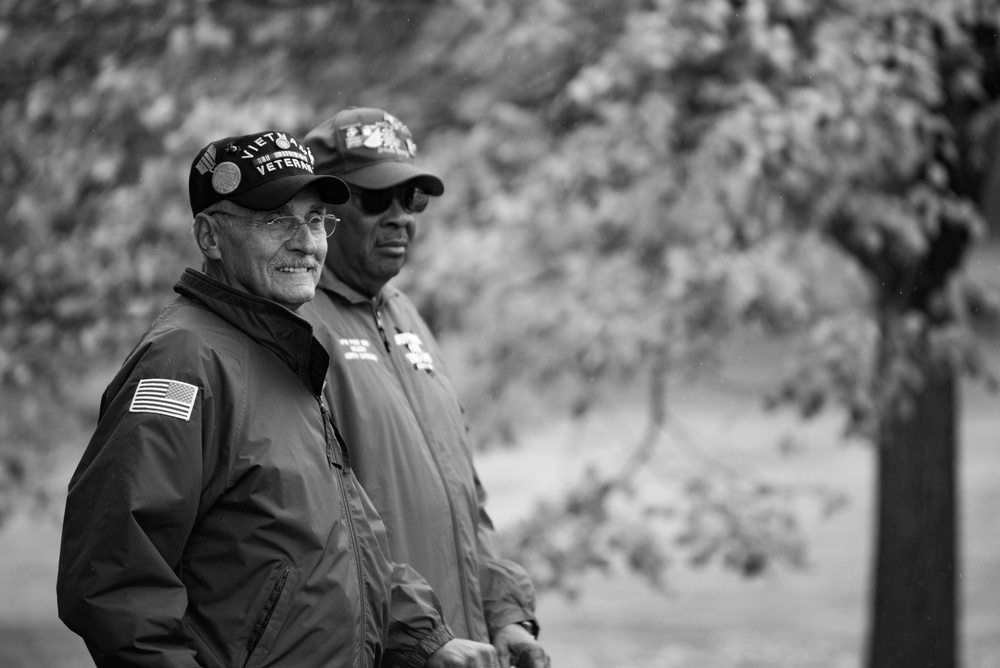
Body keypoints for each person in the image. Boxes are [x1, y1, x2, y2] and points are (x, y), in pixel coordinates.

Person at [56, 130, 500, 668]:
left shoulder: (283, 350)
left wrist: (428, 641)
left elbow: (346, 542)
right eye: (275, 220)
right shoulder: (184, 362)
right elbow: (112, 581)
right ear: (210, 236)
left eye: (315, 219)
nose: (306, 243)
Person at [301, 108, 550, 668]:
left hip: (461, 651)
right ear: (325, 210)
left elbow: (463, 494)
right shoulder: (298, 327)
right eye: (375, 199)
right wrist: (419, 639)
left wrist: (504, 615)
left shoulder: (405, 314)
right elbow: (312, 528)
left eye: (411, 200)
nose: (399, 218)